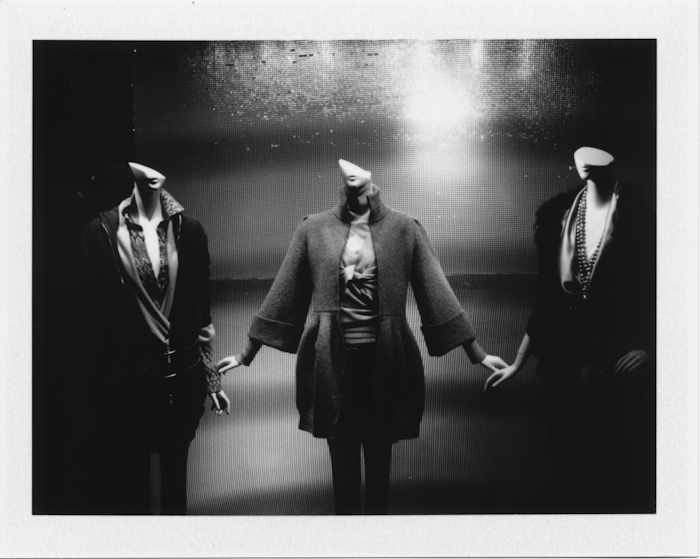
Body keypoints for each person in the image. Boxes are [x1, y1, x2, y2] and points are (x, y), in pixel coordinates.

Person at [218, 159, 507, 514]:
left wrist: (477, 353)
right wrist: (247, 353)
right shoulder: (314, 229)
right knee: (343, 472)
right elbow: (285, 292)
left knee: (379, 467)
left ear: (370, 180)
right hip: (332, 364)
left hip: (385, 362)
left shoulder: (405, 229)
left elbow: (436, 291)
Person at [485, 146, 655, 512]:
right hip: (563, 359)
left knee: (613, 469)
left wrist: (650, 346)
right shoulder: (559, 217)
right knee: (566, 463)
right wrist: (517, 362)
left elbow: (659, 289)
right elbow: (547, 299)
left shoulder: (639, 217)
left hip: (615, 358)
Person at [81, 162, 230, 514]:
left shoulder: (189, 230)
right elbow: (93, 321)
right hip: (128, 380)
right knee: (132, 483)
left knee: (176, 481)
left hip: (182, 376)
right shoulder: (101, 232)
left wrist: (211, 378)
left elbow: (202, 317)